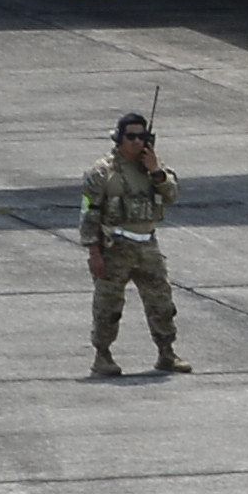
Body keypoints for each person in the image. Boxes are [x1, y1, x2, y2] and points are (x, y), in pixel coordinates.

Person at [77, 111, 181, 378]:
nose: (136, 142)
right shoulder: (102, 172)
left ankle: (166, 352)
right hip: (115, 246)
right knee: (108, 305)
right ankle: (102, 355)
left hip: (147, 245)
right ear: (119, 138)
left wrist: (156, 171)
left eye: (141, 136)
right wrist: (93, 252)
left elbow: (171, 194)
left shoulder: (153, 167)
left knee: (161, 302)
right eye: (130, 136)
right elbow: (89, 212)